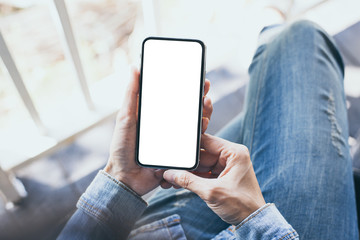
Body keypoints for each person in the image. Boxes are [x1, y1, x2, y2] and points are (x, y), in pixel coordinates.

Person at [58, 20, 358, 240]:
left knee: (277, 104)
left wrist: (122, 179)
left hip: (156, 231)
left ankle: (333, 143)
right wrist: (253, 218)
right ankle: (269, 31)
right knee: (299, 40)